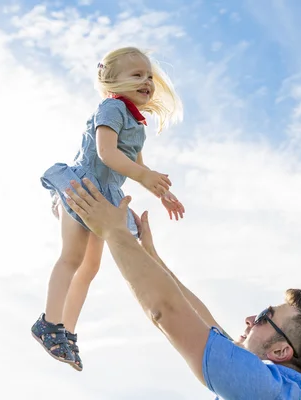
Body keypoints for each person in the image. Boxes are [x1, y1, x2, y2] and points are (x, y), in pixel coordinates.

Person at [63, 178, 301, 400]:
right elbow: (207, 327)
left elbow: (167, 312)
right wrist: (151, 258)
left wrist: (113, 231)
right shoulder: (294, 389)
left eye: (265, 317)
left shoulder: (264, 387)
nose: (250, 319)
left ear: (280, 352)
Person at [31, 47, 186, 371]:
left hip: (103, 198)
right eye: (137, 75)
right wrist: (144, 174)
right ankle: (48, 322)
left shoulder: (137, 125)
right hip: (82, 188)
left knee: (90, 268)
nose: (146, 81)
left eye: (149, 76)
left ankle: (67, 333)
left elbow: (133, 166)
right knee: (72, 258)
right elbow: (106, 154)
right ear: (114, 82)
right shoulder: (112, 108)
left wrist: (161, 192)